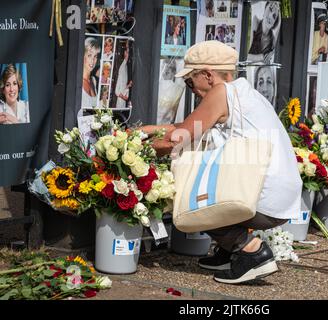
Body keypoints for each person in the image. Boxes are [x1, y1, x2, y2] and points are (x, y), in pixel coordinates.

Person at [139, 41, 302, 284]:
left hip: (263, 200)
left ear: (207, 74)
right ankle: (228, 253)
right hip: (282, 197)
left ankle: (250, 250)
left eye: (190, 81)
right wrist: (149, 130)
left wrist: (135, 148)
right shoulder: (244, 92)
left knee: (191, 198)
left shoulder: (220, 92)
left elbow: (178, 139)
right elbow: (190, 128)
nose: (191, 89)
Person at [82, 37, 101, 109]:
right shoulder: (76, 80)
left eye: (95, 56)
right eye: (89, 55)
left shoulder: (93, 80)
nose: (93, 60)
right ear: (83, 56)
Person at [115, 41, 132, 109]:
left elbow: (117, 92)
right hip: (122, 100)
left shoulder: (122, 67)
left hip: (121, 100)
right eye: (126, 52)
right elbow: (118, 92)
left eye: (127, 53)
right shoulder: (123, 67)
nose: (126, 54)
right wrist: (128, 86)